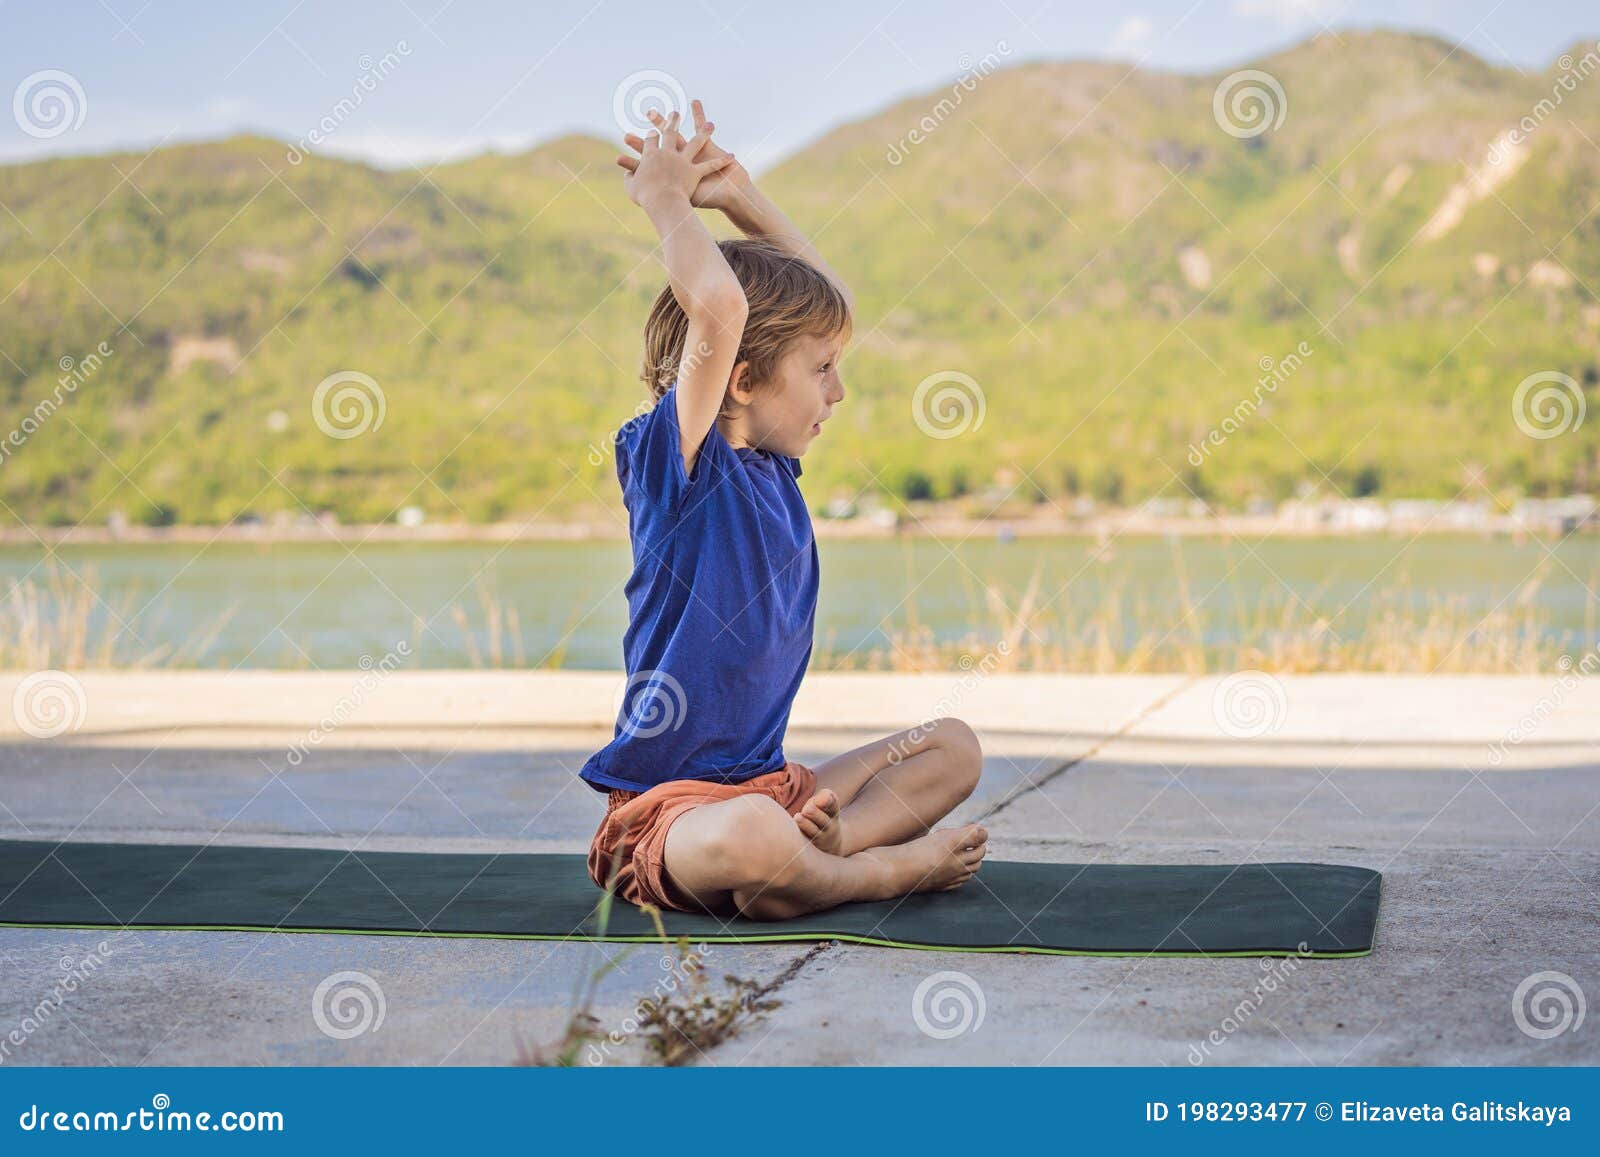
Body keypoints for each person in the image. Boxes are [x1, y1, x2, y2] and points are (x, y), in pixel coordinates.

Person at [581, 98, 987, 921]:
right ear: (740, 377)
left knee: (954, 746)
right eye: (821, 370)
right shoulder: (678, 466)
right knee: (755, 840)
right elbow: (723, 309)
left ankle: (826, 848)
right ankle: (872, 872)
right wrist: (663, 199)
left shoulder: (773, 464)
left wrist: (742, 197)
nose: (838, 391)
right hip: (669, 816)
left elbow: (821, 300)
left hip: (774, 783)